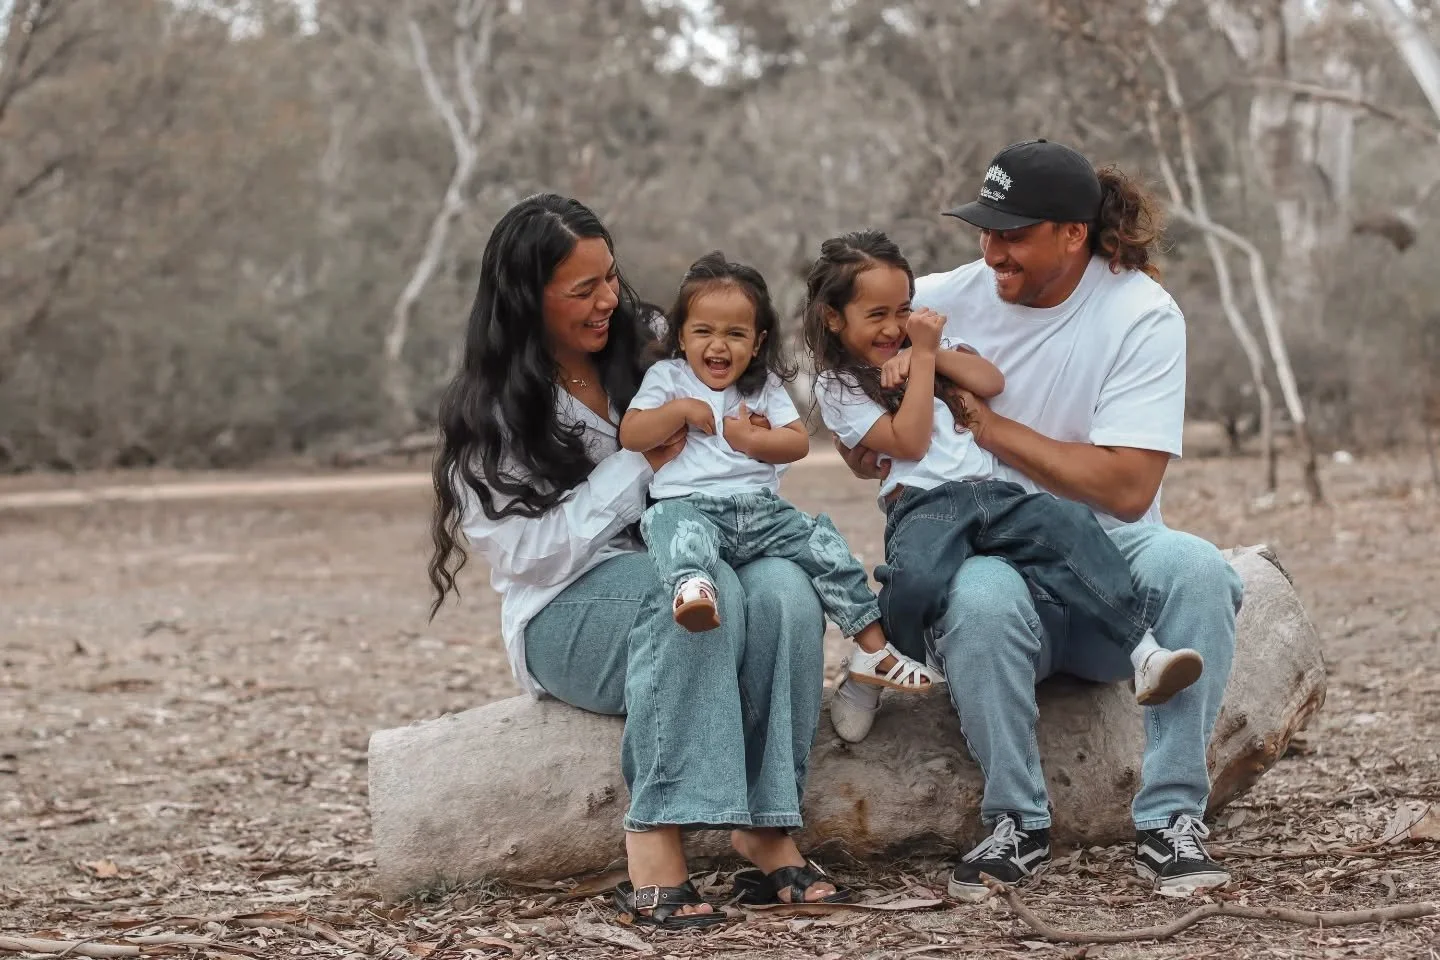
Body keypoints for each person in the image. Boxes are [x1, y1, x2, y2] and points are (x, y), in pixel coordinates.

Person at [830, 140, 1245, 900]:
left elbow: (1127, 488)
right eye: (985, 232)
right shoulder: (943, 297)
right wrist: (861, 438)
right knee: (979, 593)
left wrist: (989, 429)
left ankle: (1172, 819)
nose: (992, 253)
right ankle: (1016, 819)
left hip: (1105, 562)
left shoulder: (1141, 315)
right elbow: (850, 347)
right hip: (995, 570)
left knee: (1197, 567)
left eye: (1013, 235)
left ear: (1073, 234)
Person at [428, 194, 850, 928]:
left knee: (786, 588)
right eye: (582, 289)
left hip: (707, 547)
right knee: (694, 591)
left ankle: (766, 824)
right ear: (529, 298)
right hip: (567, 610)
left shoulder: (655, 341)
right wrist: (637, 467)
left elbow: (746, 437)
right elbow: (525, 558)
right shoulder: (494, 408)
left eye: (610, 276)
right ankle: (653, 841)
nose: (608, 300)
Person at [803, 229, 1204, 721]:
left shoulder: (928, 347)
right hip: (923, 502)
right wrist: (923, 359)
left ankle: (1142, 650)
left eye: (903, 310)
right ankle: (874, 671)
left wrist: (931, 351)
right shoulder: (839, 385)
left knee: (1069, 528)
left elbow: (991, 381)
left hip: (990, 491)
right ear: (833, 317)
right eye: (876, 315)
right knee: (916, 581)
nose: (893, 327)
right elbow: (910, 441)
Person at [619, 250, 937, 694]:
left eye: (735, 334)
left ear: (757, 341)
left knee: (825, 548)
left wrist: (751, 440)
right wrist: (678, 411)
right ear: (681, 336)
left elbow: (797, 443)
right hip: (691, 506)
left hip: (760, 512)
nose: (718, 346)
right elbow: (631, 434)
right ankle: (692, 586)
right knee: (668, 524)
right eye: (703, 332)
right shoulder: (668, 378)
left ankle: (873, 649)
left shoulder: (763, 385)